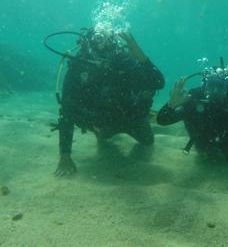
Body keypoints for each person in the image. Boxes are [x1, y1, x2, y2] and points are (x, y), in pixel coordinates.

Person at [53, 28, 164, 176]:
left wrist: (142, 57)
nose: (102, 54)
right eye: (96, 45)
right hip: (98, 121)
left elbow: (157, 83)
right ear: (88, 45)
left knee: (148, 141)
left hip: (129, 117)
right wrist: (65, 156)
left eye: (107, 45)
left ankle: (145, 116)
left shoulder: (124, 61)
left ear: (114, 45)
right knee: (103, 137)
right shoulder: (79, 65)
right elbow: (66, 107)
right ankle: (103, 132)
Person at [156, 66, 228, 161]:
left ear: (226, 88)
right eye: (211, 86)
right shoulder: (193, 105)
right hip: (204, 148)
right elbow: (162, 120)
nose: (215, 91)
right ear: (204, 88)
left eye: (220, 86)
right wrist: (170, 105)